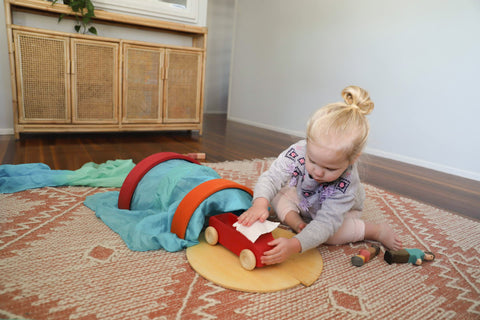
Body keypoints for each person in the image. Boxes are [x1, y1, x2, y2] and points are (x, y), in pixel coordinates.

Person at [238, 85, 402, 265]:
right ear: (308, 143)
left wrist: (295, 245)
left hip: (341, 213)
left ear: (352, 159)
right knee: (275, 194)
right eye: (312, 161)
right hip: (306, 198)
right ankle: (297, 223)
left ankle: (375, 231)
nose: (317, 172)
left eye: (330, 169)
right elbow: (271, 178)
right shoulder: (298, 151)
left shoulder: (347, 183)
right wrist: (260, 204)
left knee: (330, 235)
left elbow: (326, 223)